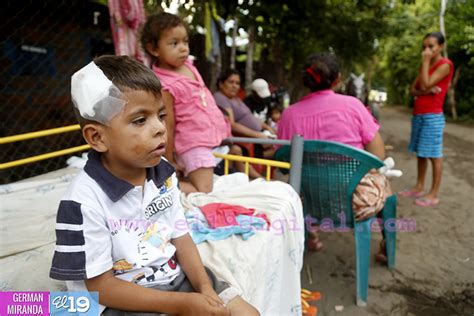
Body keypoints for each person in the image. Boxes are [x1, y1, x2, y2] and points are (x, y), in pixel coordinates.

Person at [50, 55, 259, 316]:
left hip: (172, 277)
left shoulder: (163, 173)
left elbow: (181, 238)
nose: (160, 128)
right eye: (140, 120)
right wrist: (183, 305)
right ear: (97, 137)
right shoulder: (82, 201)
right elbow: (101, 287)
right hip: (121, 298)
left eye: (161, 115)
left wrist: (205, 289)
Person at [277, 52, 387, 261]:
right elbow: (378, 155)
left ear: (305, 80)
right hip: (356, 202)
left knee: (301, 181)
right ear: (337, 79)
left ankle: (311, 234)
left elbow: (284, 166)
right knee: (384, 181)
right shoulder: (353, 106)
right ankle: (385, 244)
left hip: (305, 203)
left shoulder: (289, 114)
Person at [141, 12, 231, 194]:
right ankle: (154, 188)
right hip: (191, 142)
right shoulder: (163, 84)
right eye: (174, 43)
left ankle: (176, 179)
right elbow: (169, 123)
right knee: (204, 189)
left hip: (206, 136)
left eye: (185, 42)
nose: (183, 48)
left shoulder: (189, 66)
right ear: (153, 49)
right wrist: (167, 160)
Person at [400, 32, 454, 207]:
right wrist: (426, 91)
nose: (427, 50)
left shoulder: (445, 65)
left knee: (434, 154)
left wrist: (425, 63)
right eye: (424, 47)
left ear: (440, 47)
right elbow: (413, 90)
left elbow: (423, 84)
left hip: (433, 116)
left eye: (431, 46)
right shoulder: (426, 65)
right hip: (419, 114)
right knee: (421, 153)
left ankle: (433, 194)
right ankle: (419, 187)